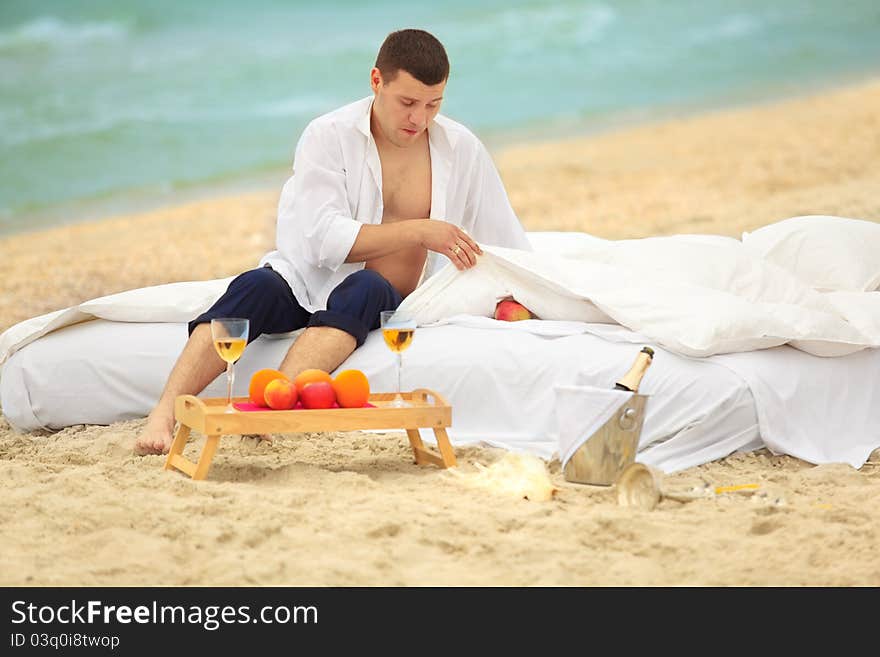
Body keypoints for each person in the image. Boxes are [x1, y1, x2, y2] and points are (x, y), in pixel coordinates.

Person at [135, 28, 531, 455]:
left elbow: (502, 236)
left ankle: (271, 404)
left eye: (433, 104)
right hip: (311, 280)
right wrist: (421, 230)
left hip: (385, 297)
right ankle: (164, 411)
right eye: (408, 103)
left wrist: (518, 296)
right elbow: (325, 240)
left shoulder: (462, 149)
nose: (419, 118)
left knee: (365, 287)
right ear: (376, 81)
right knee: (256, 286)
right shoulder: (328, 135)